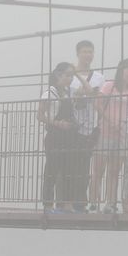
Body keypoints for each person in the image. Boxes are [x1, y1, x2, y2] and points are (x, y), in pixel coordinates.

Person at [94, 57, 128, 214]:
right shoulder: (110, 86)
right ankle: (95, 203)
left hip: (127, 134)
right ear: (121, 71)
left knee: (116, 170)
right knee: (100, 169)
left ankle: (114, 203)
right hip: (109, 132)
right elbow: (97, 103)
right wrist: (110, 121)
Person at [68, 38, 108, 210]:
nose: (88, 55)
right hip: (74, 126)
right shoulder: (68, 76)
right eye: (84, 51)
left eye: (90, 52)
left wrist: (83, 91)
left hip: (93, 126)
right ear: (78, 54)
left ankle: (86, 201)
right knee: (74, 165)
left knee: (89, 166)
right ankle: (74, 201)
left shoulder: (99, 77)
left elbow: (95, 95)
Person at [37, 62, 83, 213]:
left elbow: (88, 91)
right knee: (52, 169)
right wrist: (57, 123)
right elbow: (40, 115)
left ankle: (67, 204)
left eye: (72, 75)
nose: (70, 79)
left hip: (70, 136)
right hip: (55, 136)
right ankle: (48, 204)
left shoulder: (70, 92)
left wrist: (78, 76)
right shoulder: (49, 93)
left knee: (69, 169)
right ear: (59, 75)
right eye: (67, 75)